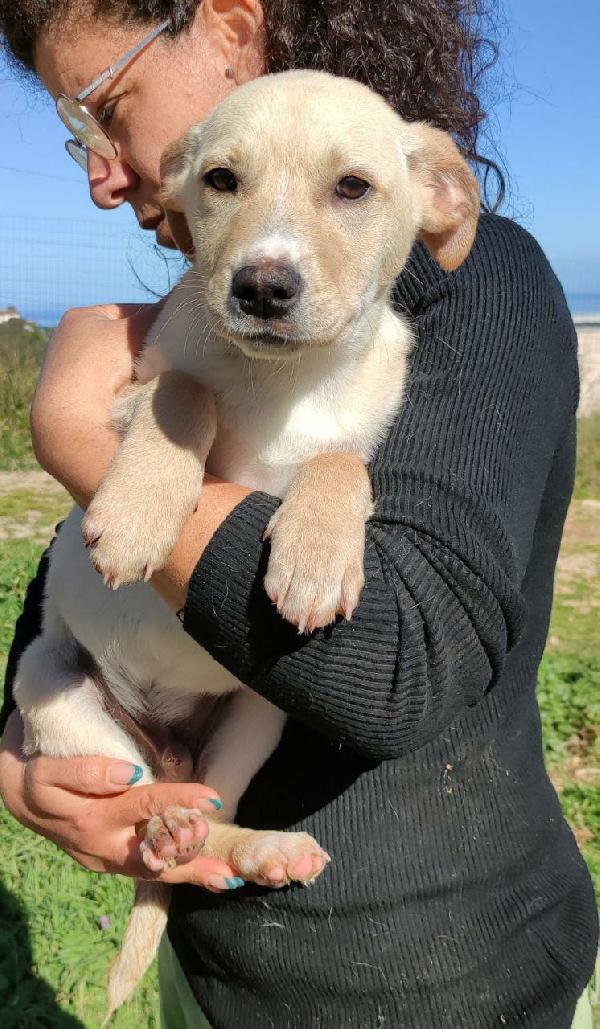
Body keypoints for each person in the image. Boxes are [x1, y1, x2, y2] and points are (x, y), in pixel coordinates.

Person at [0, 2, 597, 1027]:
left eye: (110, 110)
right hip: (219, 949)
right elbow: (99, 566)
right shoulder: (198, 305)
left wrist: (86, 442)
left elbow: (398, 668)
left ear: (230, 32)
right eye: (78, 136)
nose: (101, 171)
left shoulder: (482, 290)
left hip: (446, 980)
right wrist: (19, 749)